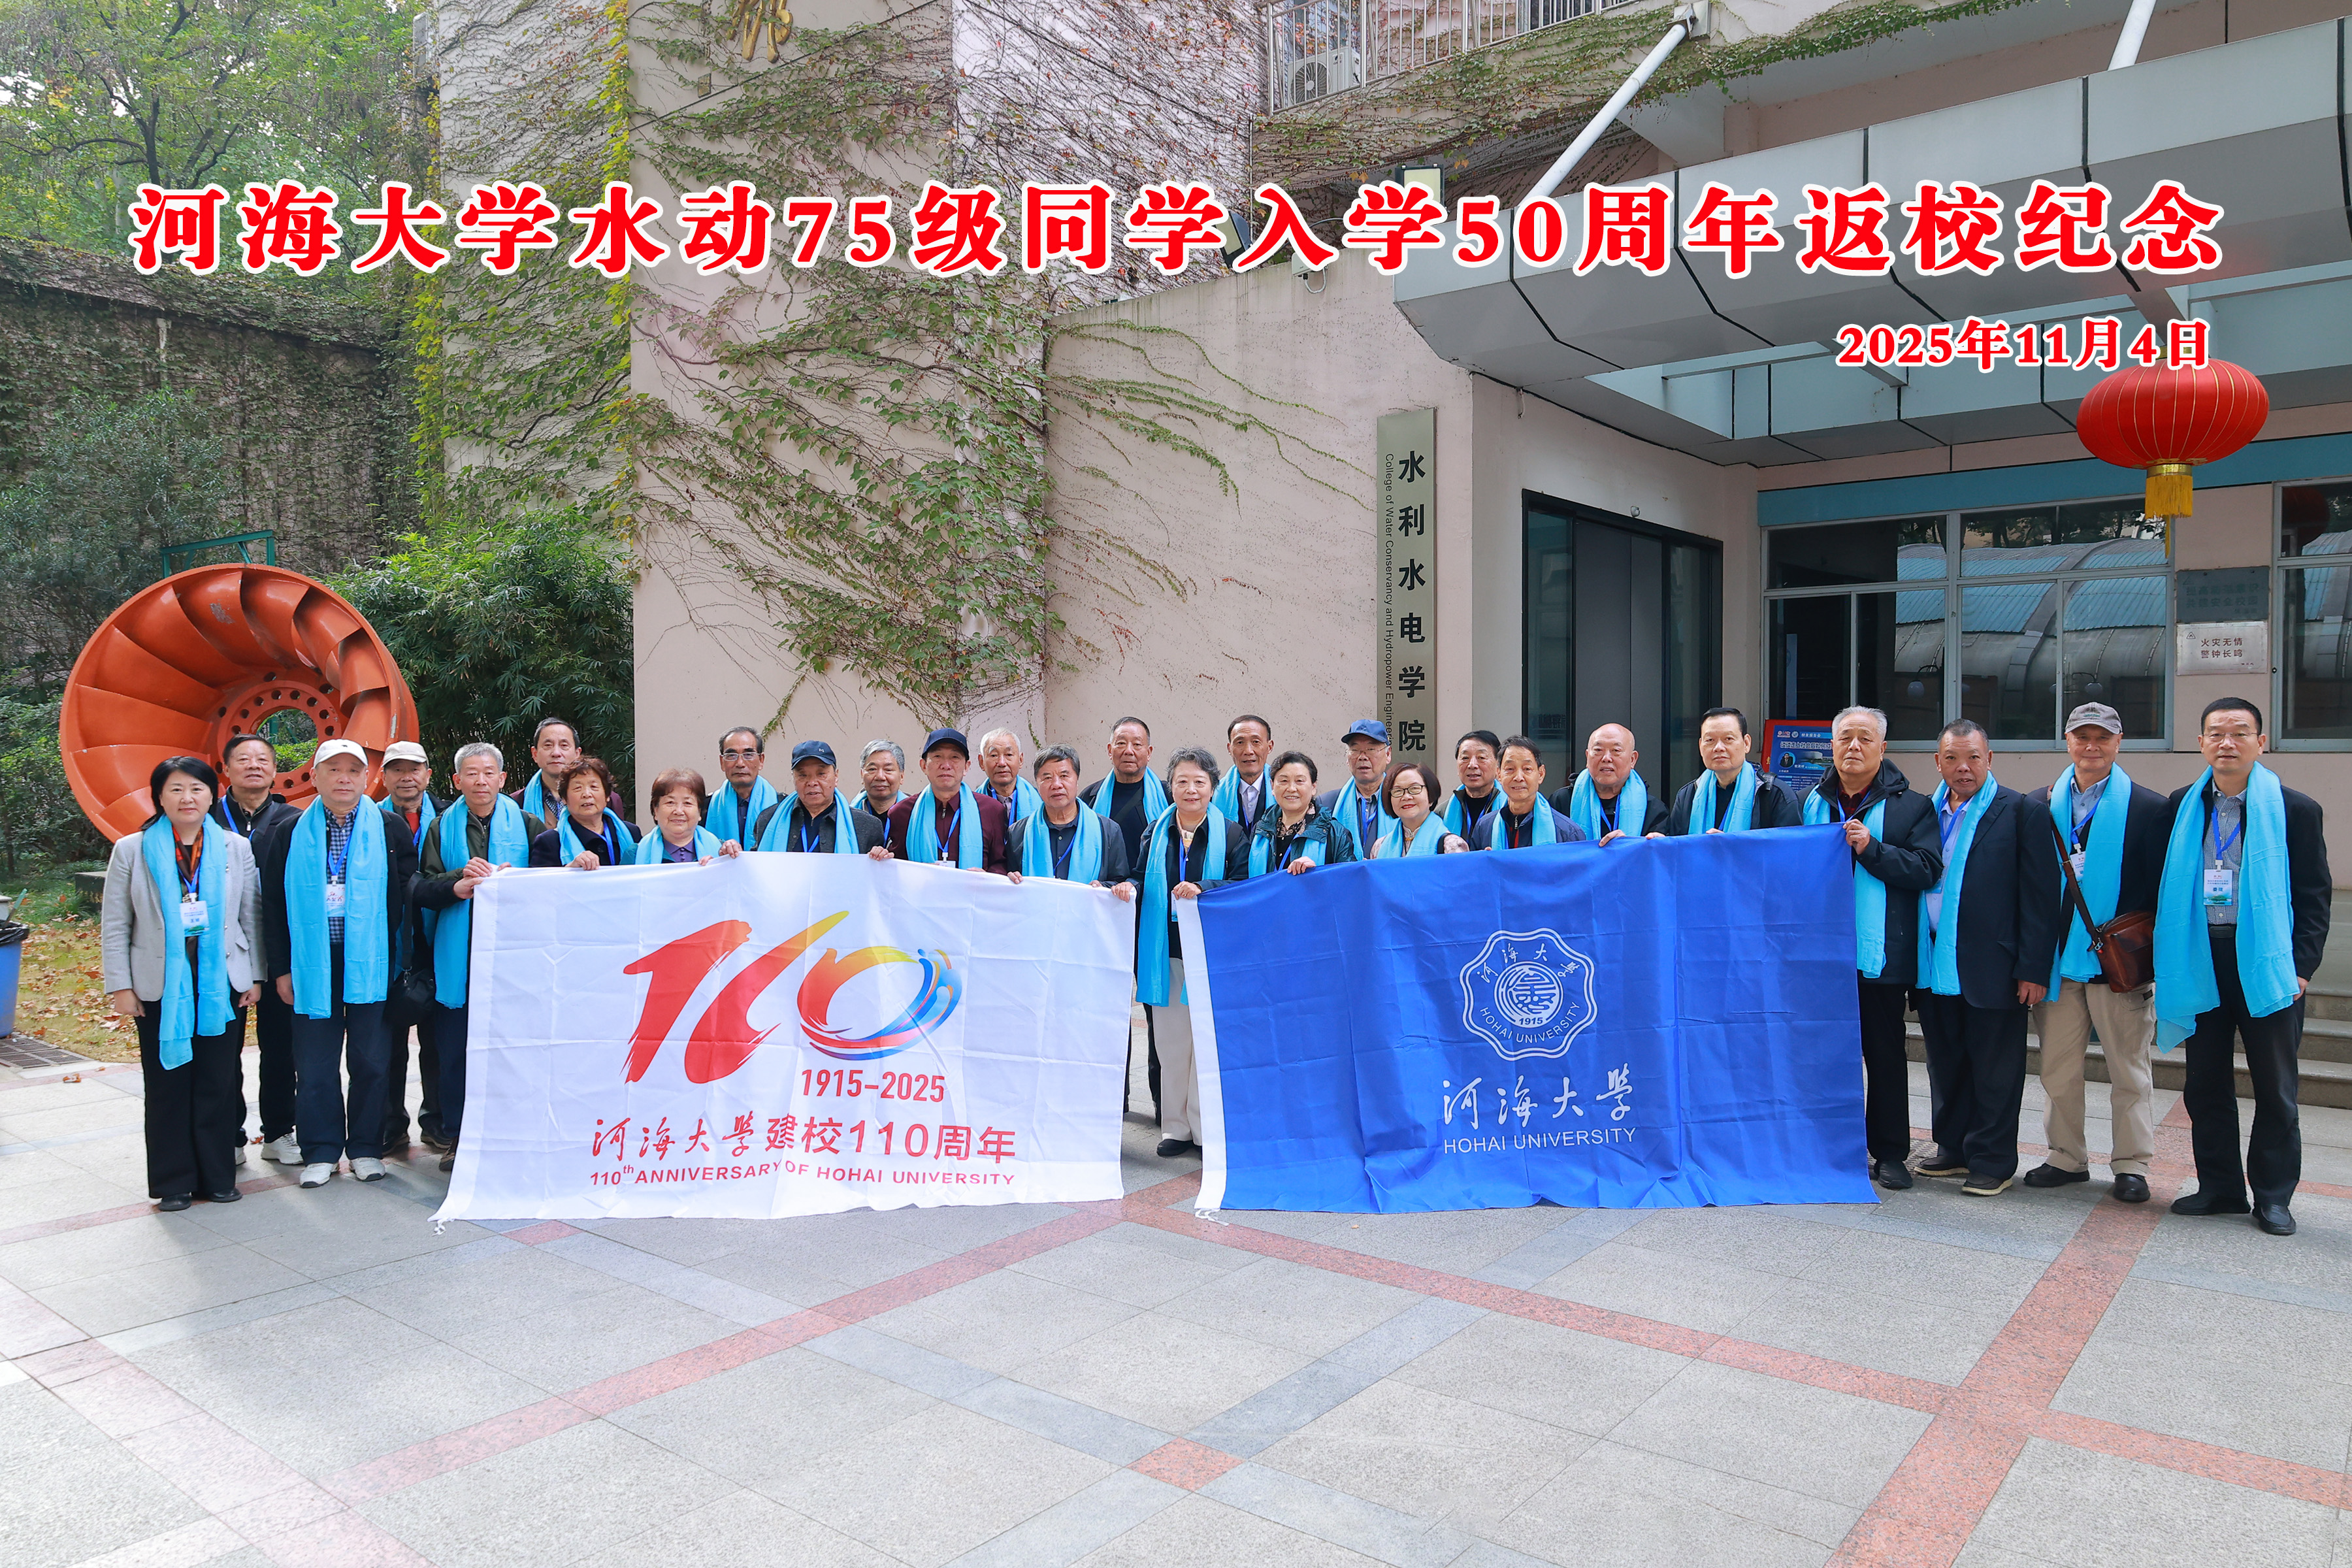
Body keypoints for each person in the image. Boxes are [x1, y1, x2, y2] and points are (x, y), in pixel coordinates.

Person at [2158, 697, 2333, 1237]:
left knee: (2275, 1086)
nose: (2226, 743)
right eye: (2216, 733)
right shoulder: (2182, 805)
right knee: (2204, 1083)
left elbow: (2314, 896)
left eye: (2239, 732)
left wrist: (2301, 967)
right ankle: (2220, 1188)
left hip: (2266, 961)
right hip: (2200, 957)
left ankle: (2274, 1197)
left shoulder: (2295, 809)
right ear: (2201, 743)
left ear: (2261, 742)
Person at [2023, 703, 2172, 1204]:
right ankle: (2065, 1157)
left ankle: (2132, 1164)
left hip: (2118, 967)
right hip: (2058, 964)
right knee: (2057, 1070)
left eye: (2102, 737)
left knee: (2129, 1070)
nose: (2091, 746)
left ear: (2119, 741)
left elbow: (2160, 892)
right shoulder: (2038, 805)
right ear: (2067, 740)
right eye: (2081, 736)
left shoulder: (2149, 809)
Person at [102, 757, 263, 1211]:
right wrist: (121, 986)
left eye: (196, 789)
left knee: (218, 1079)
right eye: (175, 789)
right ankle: (173, 1182)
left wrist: (255, 975)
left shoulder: (234, 847)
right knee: (167, 1082)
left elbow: (251, 914)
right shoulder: (132, 850)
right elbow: (116, 923)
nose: (187, 798)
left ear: (212, 795)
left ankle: (217, 1176)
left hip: (223, 980)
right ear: (159, 797)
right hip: (158, 981)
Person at [1907, 721, 2060, 1198]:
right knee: (1946, 1063)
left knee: (1996, 1070)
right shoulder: (1923, 812)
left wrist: (2033, 968)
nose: (1963, 768)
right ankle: (1953, 1148)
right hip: (1934, 962)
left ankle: (1993, 1161)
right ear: (1938, 762)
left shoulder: (2022, 811)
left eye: (1973, 757)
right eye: (1952, 758)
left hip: (1994, 964)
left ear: (1989, 759)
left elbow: (2041, 897)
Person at [260, 740, 417, 1190]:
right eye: (334, 770)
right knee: (314, 1065)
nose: (344, 778)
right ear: (315, 777)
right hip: (312, 963)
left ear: (367, 778)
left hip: (371, 960)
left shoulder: (388, 827)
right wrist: (282, 969)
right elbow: (272, 905)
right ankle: (322, 1151)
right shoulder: (289, 830)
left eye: (353, 770)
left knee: (372, 1061)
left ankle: (366, 1148)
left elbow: (408, 892)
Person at [1801, 706, 1943, 1190]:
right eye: (1845, 738)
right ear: (1832, 747)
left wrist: (1872, 849)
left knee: (1884, 1056)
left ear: (1883, 748)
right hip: (1819, 958)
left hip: (1879, 956)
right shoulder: (1810, 802)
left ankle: (1890, 1153)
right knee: (1822, 1057)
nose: (1854, 747)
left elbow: (1927, 869)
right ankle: (1827, 1147)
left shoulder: (1913, 806)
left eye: (1865, 738)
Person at [410, 742, 536, 1173]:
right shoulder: (440, 827)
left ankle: (510, 1133)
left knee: (511, 1052)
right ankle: (457, 1136)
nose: (481, 781)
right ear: (456, 780)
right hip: (457, 959)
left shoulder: (528, 824)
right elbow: (422, 888)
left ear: (503, 779)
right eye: (471, 773)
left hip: (513, 959)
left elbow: (550, 881)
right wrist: (457, 882)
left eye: (488, 773)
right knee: (455, 1052)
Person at [1131, 747, 1250, 1158]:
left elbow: (1242, 884)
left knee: (1206, 1045)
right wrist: (1121, 887)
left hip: (1210, 953)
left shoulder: (1231, 834)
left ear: (1213, 787)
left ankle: (1204, 1129)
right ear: (1171, 787)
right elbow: (1139, 877)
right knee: (1170, 1044)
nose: (1191, 789)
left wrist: (1203, 888)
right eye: (1182, 781)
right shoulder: (1156, 832)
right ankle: (1176, 1128)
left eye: (1200, 782)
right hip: (1164, 951)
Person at [212, 732, 301, 1168]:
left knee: (281, 1046)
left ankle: (279, 1132)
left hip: (278, 946)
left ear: (274, 770)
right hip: (223, 951)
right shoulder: (205, 817)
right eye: (243, 759)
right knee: (222, 1046)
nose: (253, 766)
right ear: (226, 769)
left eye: (262, 759)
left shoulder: (295, 819)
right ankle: (228, 1134)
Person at [378, 740, 446, 1158]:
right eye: (397, 770)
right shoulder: (371, 820)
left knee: (437, 1038)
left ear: (428, 774)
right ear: (384, 777)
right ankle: (391, 1125)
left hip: (440, 938)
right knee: (388, 1039)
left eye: (414, 769)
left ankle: (436, 1121)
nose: (407, 778)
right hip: (389, 940)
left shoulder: (451, 818)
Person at [881, 729, 1011, 871]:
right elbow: (896, 867)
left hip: (973, 886)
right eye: (937, 757)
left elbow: (1000, 864)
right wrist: (915, 872)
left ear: (966, 767)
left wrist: (986, 876)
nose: (946, 765)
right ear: (924, 766)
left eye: (955, 757)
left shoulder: (991, 810)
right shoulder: (903, 813)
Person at [1009, 747, 1135, 889]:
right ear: (1037, 784)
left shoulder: (1108, 831)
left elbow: (1120, 883)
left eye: (1064, 776)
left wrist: (1103, 887)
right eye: (1047, 778)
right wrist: (1011, 881)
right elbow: (1008, 884)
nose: (1056, 785)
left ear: (1077, 780)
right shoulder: (1018, 833)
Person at [1661, 708, 1793, 836]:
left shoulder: (1774, 794)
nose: (1719, 748)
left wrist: (1729, 846)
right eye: (1710, 740)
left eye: (1728, 739)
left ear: (1746, 743)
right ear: (1700, 746)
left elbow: (1788, 848)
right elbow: (1677, 845)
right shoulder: (1688, 795)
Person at [753, 741, 885, 853]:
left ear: (836, 776)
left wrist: (880, 857)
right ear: (794, 778)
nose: (812, 782)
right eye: (803, 775)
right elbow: (755, 866)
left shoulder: (865, 826)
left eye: (821, 774)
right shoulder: (768, 820)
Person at [1078, 717, 1168, 871]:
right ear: (1110, 750)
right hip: (1104, 884)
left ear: (1149, 753)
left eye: (1137, 744)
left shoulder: (1168, 796)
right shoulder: (1090, 798)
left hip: (1150, 883)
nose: (1129, 751)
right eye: (1121, 743)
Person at [1247, 751, 1360, 874]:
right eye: (1284, 781)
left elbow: (1349, 879)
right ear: (1272, 786)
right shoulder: (1261, 831)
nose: (1291, 788)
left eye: (1299, 781)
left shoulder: (1335, 833)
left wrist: (1318, 873)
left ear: (1313, 787)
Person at [1553, 723, 1668, 843]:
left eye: (1616, 751)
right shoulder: (1562, 801)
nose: (1606, 758)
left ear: (1632, 760)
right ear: (1587, 757)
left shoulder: (1653, 810)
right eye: (1598, 750)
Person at [1467, 736, 1585, 849]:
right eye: (1510, 769)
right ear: (1499, 775)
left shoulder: (1567, 833)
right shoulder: (1484, 828)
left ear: (1541, 774)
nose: (1518, 777)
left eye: (1527, 769)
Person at [529, 757, 639, 868]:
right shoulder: (549, 842)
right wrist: (570, 869)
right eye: (578, 788)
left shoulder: (632, 832)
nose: (587, 794)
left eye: (594, 787)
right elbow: (539, 879)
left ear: (607, 795)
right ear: (564, 799)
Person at [1317, 720, 1396, 859]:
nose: (1363, 757)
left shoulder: (1401, 802)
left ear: (1388, 754)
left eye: (1371, 749)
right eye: (1355, 750)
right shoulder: (1327, 805)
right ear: (1347, 757)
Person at [637, 769, 743, 863]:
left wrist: (733, 860)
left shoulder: (722, 851)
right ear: (656, 811)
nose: (679, 811)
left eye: (687, 803)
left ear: (699, 812)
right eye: (670, 802)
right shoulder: (635, 854)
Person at [1373, 763, 1471, 857]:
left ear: (1430, 794)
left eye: (1414, 788)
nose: (1406, 797)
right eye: (1398, 791)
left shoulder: (1451, 846)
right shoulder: (1379, 847)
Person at [706, 726, 779, 846]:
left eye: (748, 755)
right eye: (731, 755)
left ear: (761, 760)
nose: (740, 763)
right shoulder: (706, 808)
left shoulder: (782, 806)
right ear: (722, 762)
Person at [514, 717, 582, 829]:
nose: (556, 753)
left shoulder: (601, 799)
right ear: (535, 754)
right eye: (548, 745)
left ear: (577, 754)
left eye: (564, 745)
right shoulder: (515, 803)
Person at [1212, 715, 1275, 835]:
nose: (1248, 751)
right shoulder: (1214, 793)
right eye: (1240, 742)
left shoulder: (1284, 792)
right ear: (1229, 748)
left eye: (1256, 742)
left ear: (1270, 747)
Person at [1443, 730, 1503, 842]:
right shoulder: (1442, 812)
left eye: (1482, 758)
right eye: (1465, 758)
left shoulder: (1511, 808)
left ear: (1498, 765)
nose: (1472, 765)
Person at [977, 729, 1043, 823]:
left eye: (1009, 755)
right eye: (994, 755)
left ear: (1020, 760)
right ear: (982, 762)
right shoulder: (972, 803)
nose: (1002, 763)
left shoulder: (1042, 801)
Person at [856, 740, 910, 820]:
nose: (880, 777)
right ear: (862, 774)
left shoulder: (916, 814)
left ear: (902, 776)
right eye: (872, 769)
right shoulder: (848, 816)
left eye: (888, 770)